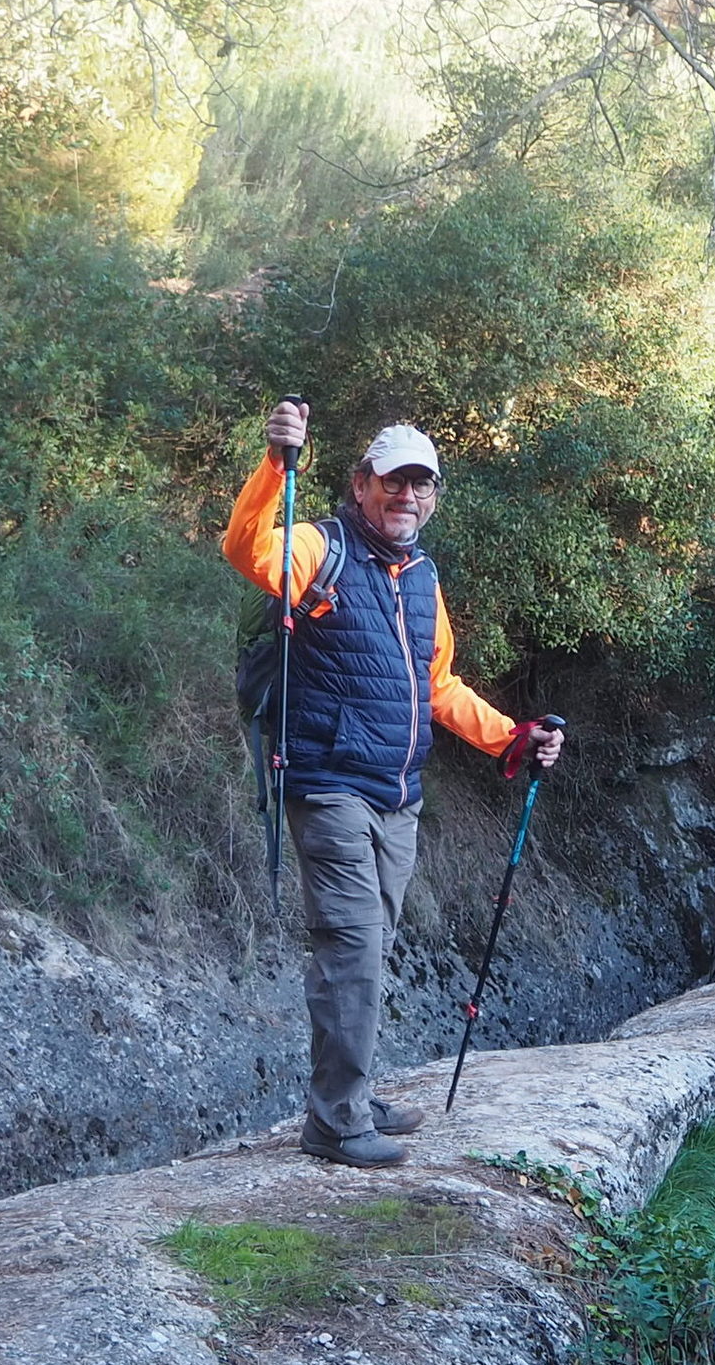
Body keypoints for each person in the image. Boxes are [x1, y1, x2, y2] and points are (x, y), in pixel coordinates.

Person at [228, 399, 566, 1168]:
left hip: (397, 795)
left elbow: (437, 684)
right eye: (392, 481)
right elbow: (249, 550)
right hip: (329, 786)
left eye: (421, 484)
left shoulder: (422, 578)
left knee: (367, 950)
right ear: (361, 484)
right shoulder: (320, 547)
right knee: (352, 948)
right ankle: (336, 1123)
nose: (406, 495)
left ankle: (347, 1093)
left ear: (434, 496)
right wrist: (276, 465)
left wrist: (510, 738)